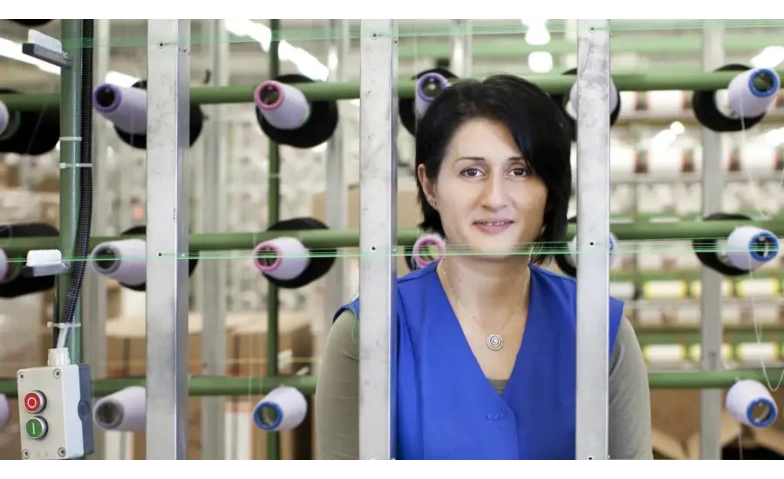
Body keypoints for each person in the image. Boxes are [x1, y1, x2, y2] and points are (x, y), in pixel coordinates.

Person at [315, 74, 652, 461]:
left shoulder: (602, 330)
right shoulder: (367, 332)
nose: (494, 198)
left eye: (520, 171)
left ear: (550, 189)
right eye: (471, 172)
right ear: (430, 186)